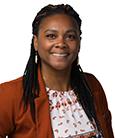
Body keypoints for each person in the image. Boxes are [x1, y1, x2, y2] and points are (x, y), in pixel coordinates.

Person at [0, 4, 114, 138]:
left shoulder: (91, 85)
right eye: (51, 36)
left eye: (70, 36)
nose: (61, 43)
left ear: (79, 43)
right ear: (36, 42)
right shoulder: (9, 95)